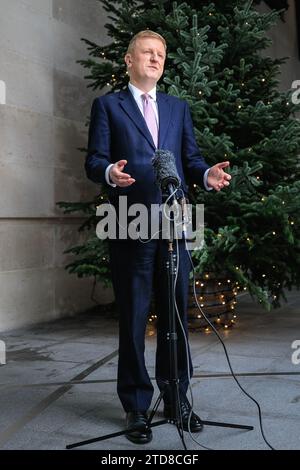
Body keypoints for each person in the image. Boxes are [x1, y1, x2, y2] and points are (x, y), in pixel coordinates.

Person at [85, 30, 231, 444]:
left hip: (176, 221)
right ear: (129, 60)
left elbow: (191, 158)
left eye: (161, 54)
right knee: (133, 317)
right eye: (147, 52)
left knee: (175, 316)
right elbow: (93, 160)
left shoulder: (177, 107)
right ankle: (135, 406)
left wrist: (207, 175)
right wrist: (109, 172)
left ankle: (177, 399)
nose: (155, 59)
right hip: (127, 219)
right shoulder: (108, 106)